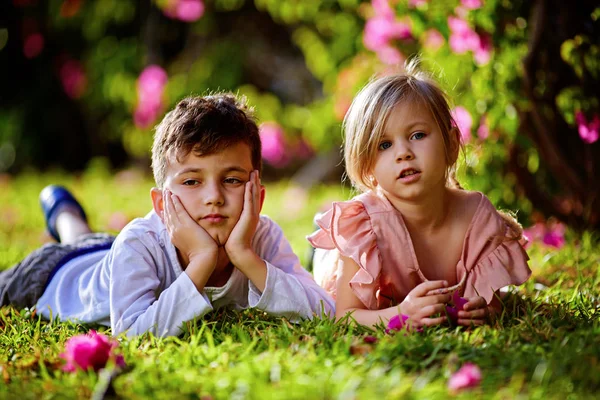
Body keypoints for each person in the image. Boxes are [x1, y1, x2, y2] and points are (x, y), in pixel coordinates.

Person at [0, 93, 334, 337]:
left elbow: (325, 311)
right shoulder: (139, 242)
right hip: (54, 273)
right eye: (192, 181)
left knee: (90, 241)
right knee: (77, 244)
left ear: (257, 196)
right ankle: (63, 211)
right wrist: (203, 261)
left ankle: (64, 210)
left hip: (110, 254)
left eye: (231, 180)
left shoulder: (261, 236)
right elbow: (131, 334)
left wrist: (245, 257)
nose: (213, 197)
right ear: (161, 204)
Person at [307, 62, 531, 329]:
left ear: (450, 144)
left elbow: (492, 301)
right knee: (322, 261)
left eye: (417, 135)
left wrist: (483, 311)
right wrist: (400, 315)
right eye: (385, 145)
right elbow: (345, 316)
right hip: (340, 261)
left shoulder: (477, 217)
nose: (403, 152)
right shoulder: (362, 226)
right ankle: (319, 235)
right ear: (368, 165)